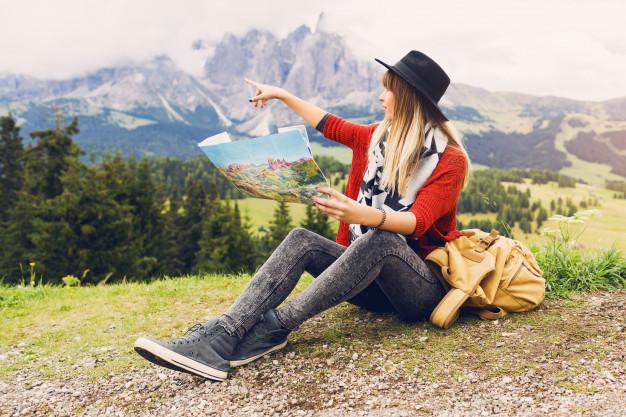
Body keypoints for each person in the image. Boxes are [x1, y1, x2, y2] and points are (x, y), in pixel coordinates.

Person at [134, 50, 470, 381]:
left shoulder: (450, 160)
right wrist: (280, 94)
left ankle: (274, 328)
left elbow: (417, 222)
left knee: (382, 239)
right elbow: (328, 124)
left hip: (418, 290)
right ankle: (224, 334)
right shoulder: (375, 139)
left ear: (408, 99)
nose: (381, 97)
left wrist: (363, 214)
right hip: (367, 283)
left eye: (389, 90)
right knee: (301, 240)